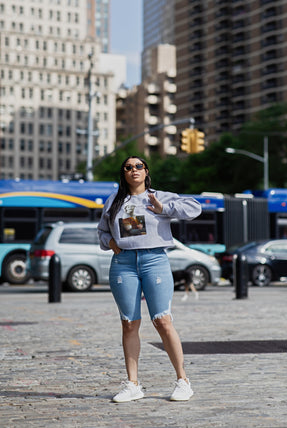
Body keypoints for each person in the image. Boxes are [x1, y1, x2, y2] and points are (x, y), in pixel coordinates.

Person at [97, 156, 202, 403]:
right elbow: (102, 231)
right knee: (129, 324)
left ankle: (182, 381)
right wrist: (110, 242)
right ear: (123, 173)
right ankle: (132, 385)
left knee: (162, 320)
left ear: (146, 171)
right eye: (128, 167)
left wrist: (164, 208)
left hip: (154, 260)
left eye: (139, 166)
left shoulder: (159, 196)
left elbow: (195, 208)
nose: (134, 170)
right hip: (123, 264)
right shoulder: (114, 200)